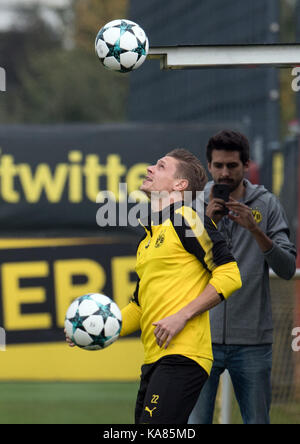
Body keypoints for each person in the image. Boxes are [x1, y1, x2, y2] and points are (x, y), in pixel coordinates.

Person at [66, 148, 242, 424]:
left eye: (160, 166)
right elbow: (139, 306)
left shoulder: (188, 219)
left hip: (183, 356)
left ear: (179, 185)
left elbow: (230, 275)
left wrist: (181, 316)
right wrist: (92, 328)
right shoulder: (149, 237)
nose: (149, 168)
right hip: (154, 359)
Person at [188, 130, 297, 425]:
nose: (225, 173)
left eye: (232, 166)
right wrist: (207, 226)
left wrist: (255, 230)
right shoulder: (194, 206)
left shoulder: (267, 204)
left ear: (246, 165)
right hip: (200, 339)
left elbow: (287, 269)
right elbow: (182, 266)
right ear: (209, 166)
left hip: (252, 341)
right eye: (219, 165)